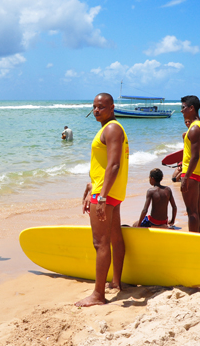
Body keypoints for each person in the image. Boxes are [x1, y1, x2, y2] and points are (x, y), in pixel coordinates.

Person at [77, 93, 129, 307]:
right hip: (109, 190)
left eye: (101, 107)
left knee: (100, 243)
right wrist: (92, 185)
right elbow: (104, 164)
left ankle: (98, 294)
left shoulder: (112, 128)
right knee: (114, 238)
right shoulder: (111, 128)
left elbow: (114, 164)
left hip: (106, 193)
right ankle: (115, 282)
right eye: (94, 107)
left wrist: (102, 195)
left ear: (112, 107)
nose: (96, 110)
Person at [180, 95, 200, 233]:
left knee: (191, 211)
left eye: (183, 107)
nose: (181, 111)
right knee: (199, 209)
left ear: (192, 108)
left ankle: (194, 240)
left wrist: (185, 178)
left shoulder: (194, 129)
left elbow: (195, 156)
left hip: (190, 172)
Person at [172, 118, 193, 183]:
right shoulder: (184, 134)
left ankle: (182, 174)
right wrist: (179, 162)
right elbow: (185, 148)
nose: (187, 123)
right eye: (185, 122)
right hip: (186, 156)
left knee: (176, 178)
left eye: (188, 121)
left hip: (192, 157)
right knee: (173, 177)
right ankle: (181, 174)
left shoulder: (196, 133)